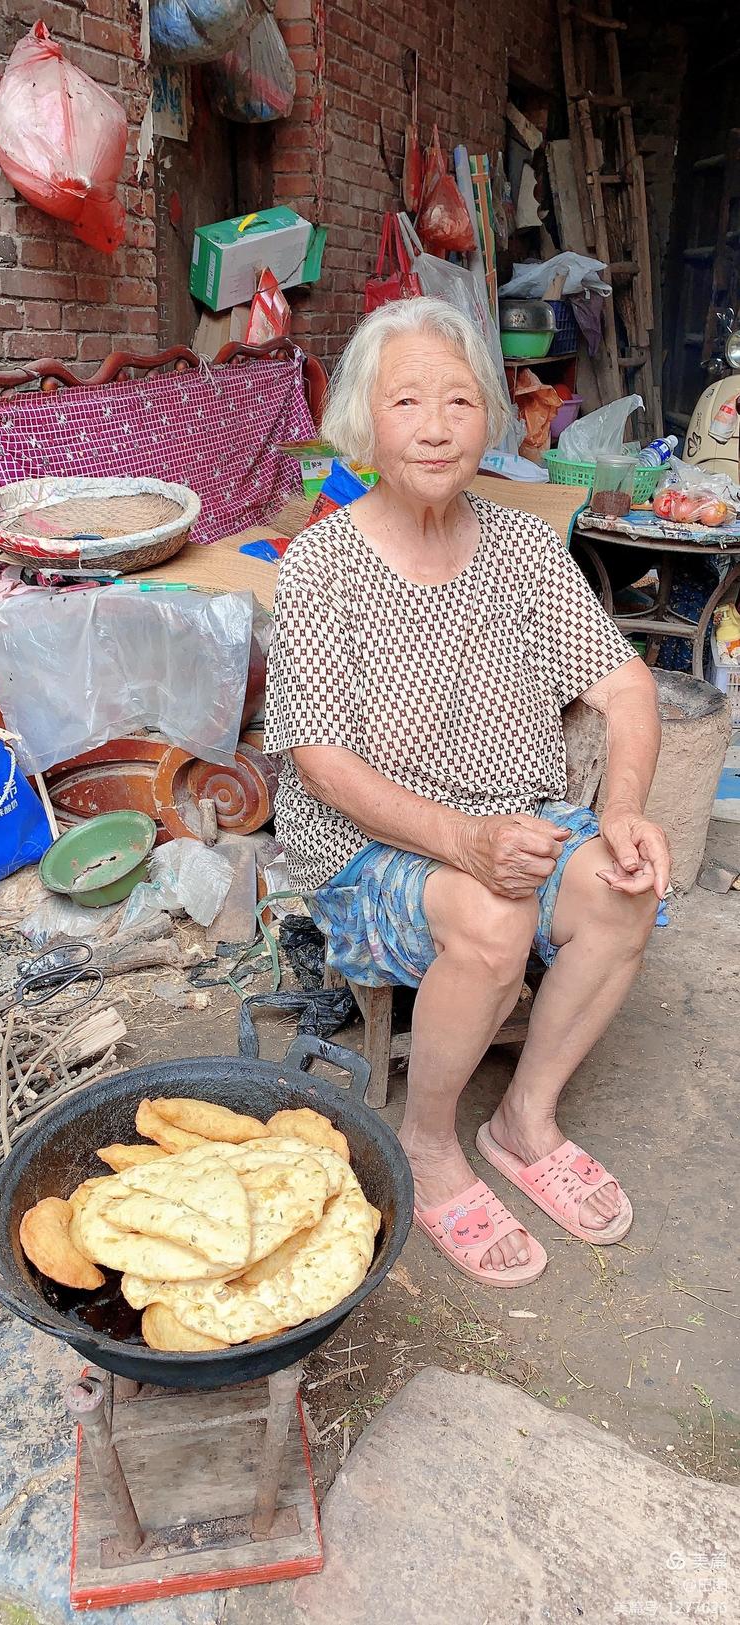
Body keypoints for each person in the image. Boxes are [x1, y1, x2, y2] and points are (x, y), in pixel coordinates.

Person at [265, 296, 670, 1286]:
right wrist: (466, 841)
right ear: (367, 420)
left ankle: (523, 1121)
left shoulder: (527, 549)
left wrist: (620, 815)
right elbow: (319, 758)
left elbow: (626, 688)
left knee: (627, 884)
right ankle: (430, 1137)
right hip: (368, 842)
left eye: (459, 400)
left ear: (491, 416)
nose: (437, 425)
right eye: (407, 401)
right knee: (491, 915)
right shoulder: (322, 564)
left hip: (519, 817)